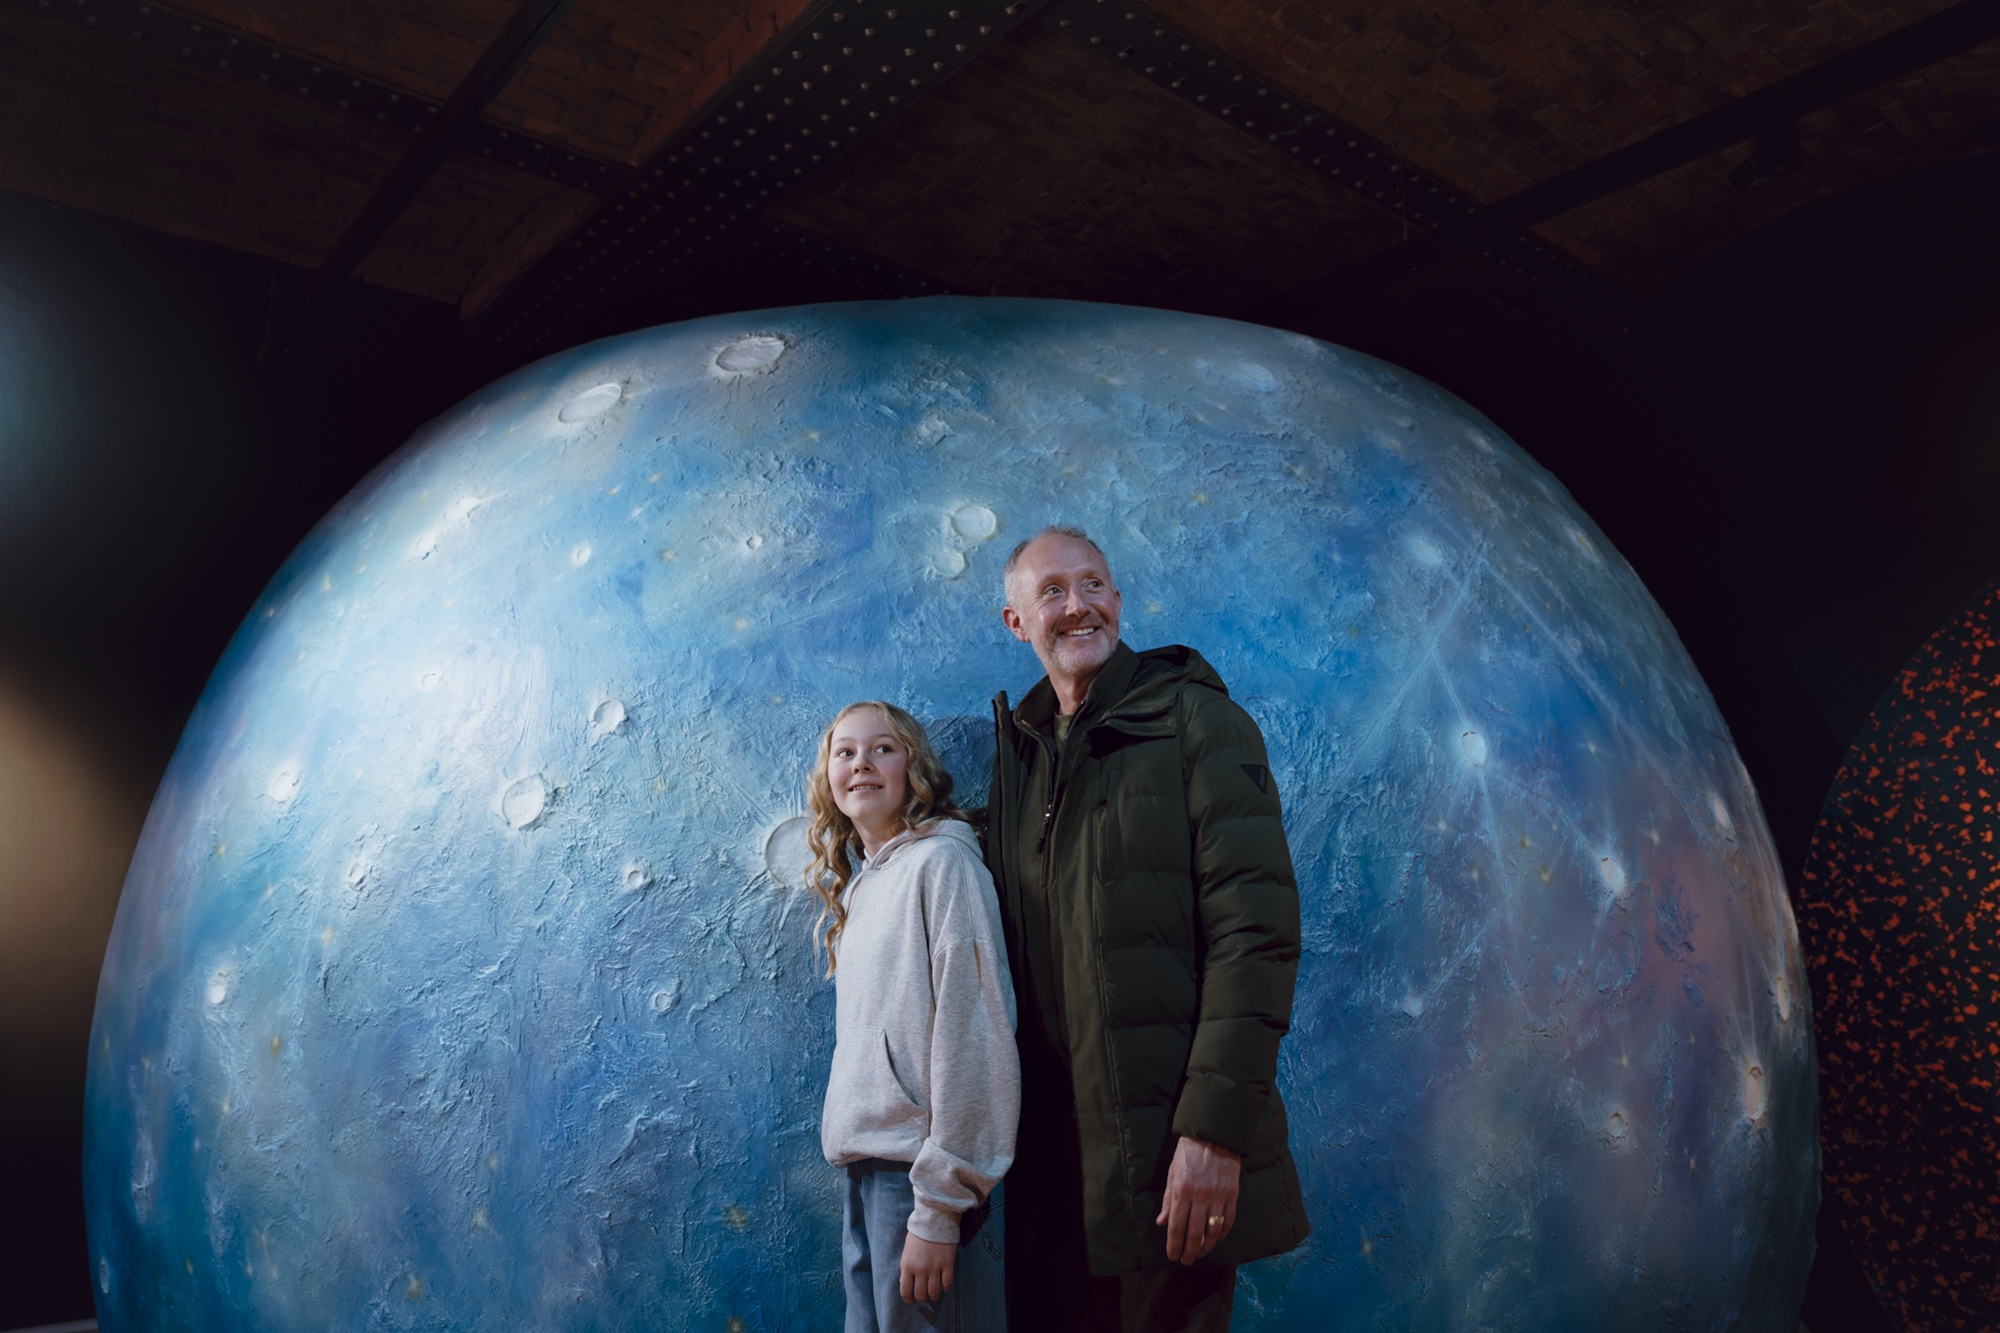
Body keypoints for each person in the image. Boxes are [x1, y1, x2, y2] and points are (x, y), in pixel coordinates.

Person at [985, 527, 1308, 1332]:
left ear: (1118, 602)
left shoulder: (1198, 724)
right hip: (1053, 1174)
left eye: (1092, 584)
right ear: (1017, 622)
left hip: (1168, 1164)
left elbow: (1256, 938)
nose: (1078, 605)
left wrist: (1212, 1135)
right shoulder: (1022, 753)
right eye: (1052, 591)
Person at [807, 700, 1021, 1333]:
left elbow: (975, 1036)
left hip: (922, 1179)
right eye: (844, 752)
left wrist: (939, 1207)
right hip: (865, 1173)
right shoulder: (861, 887)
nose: (862, 764)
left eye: (883, 749)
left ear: (914, 768)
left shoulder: (944, 865)